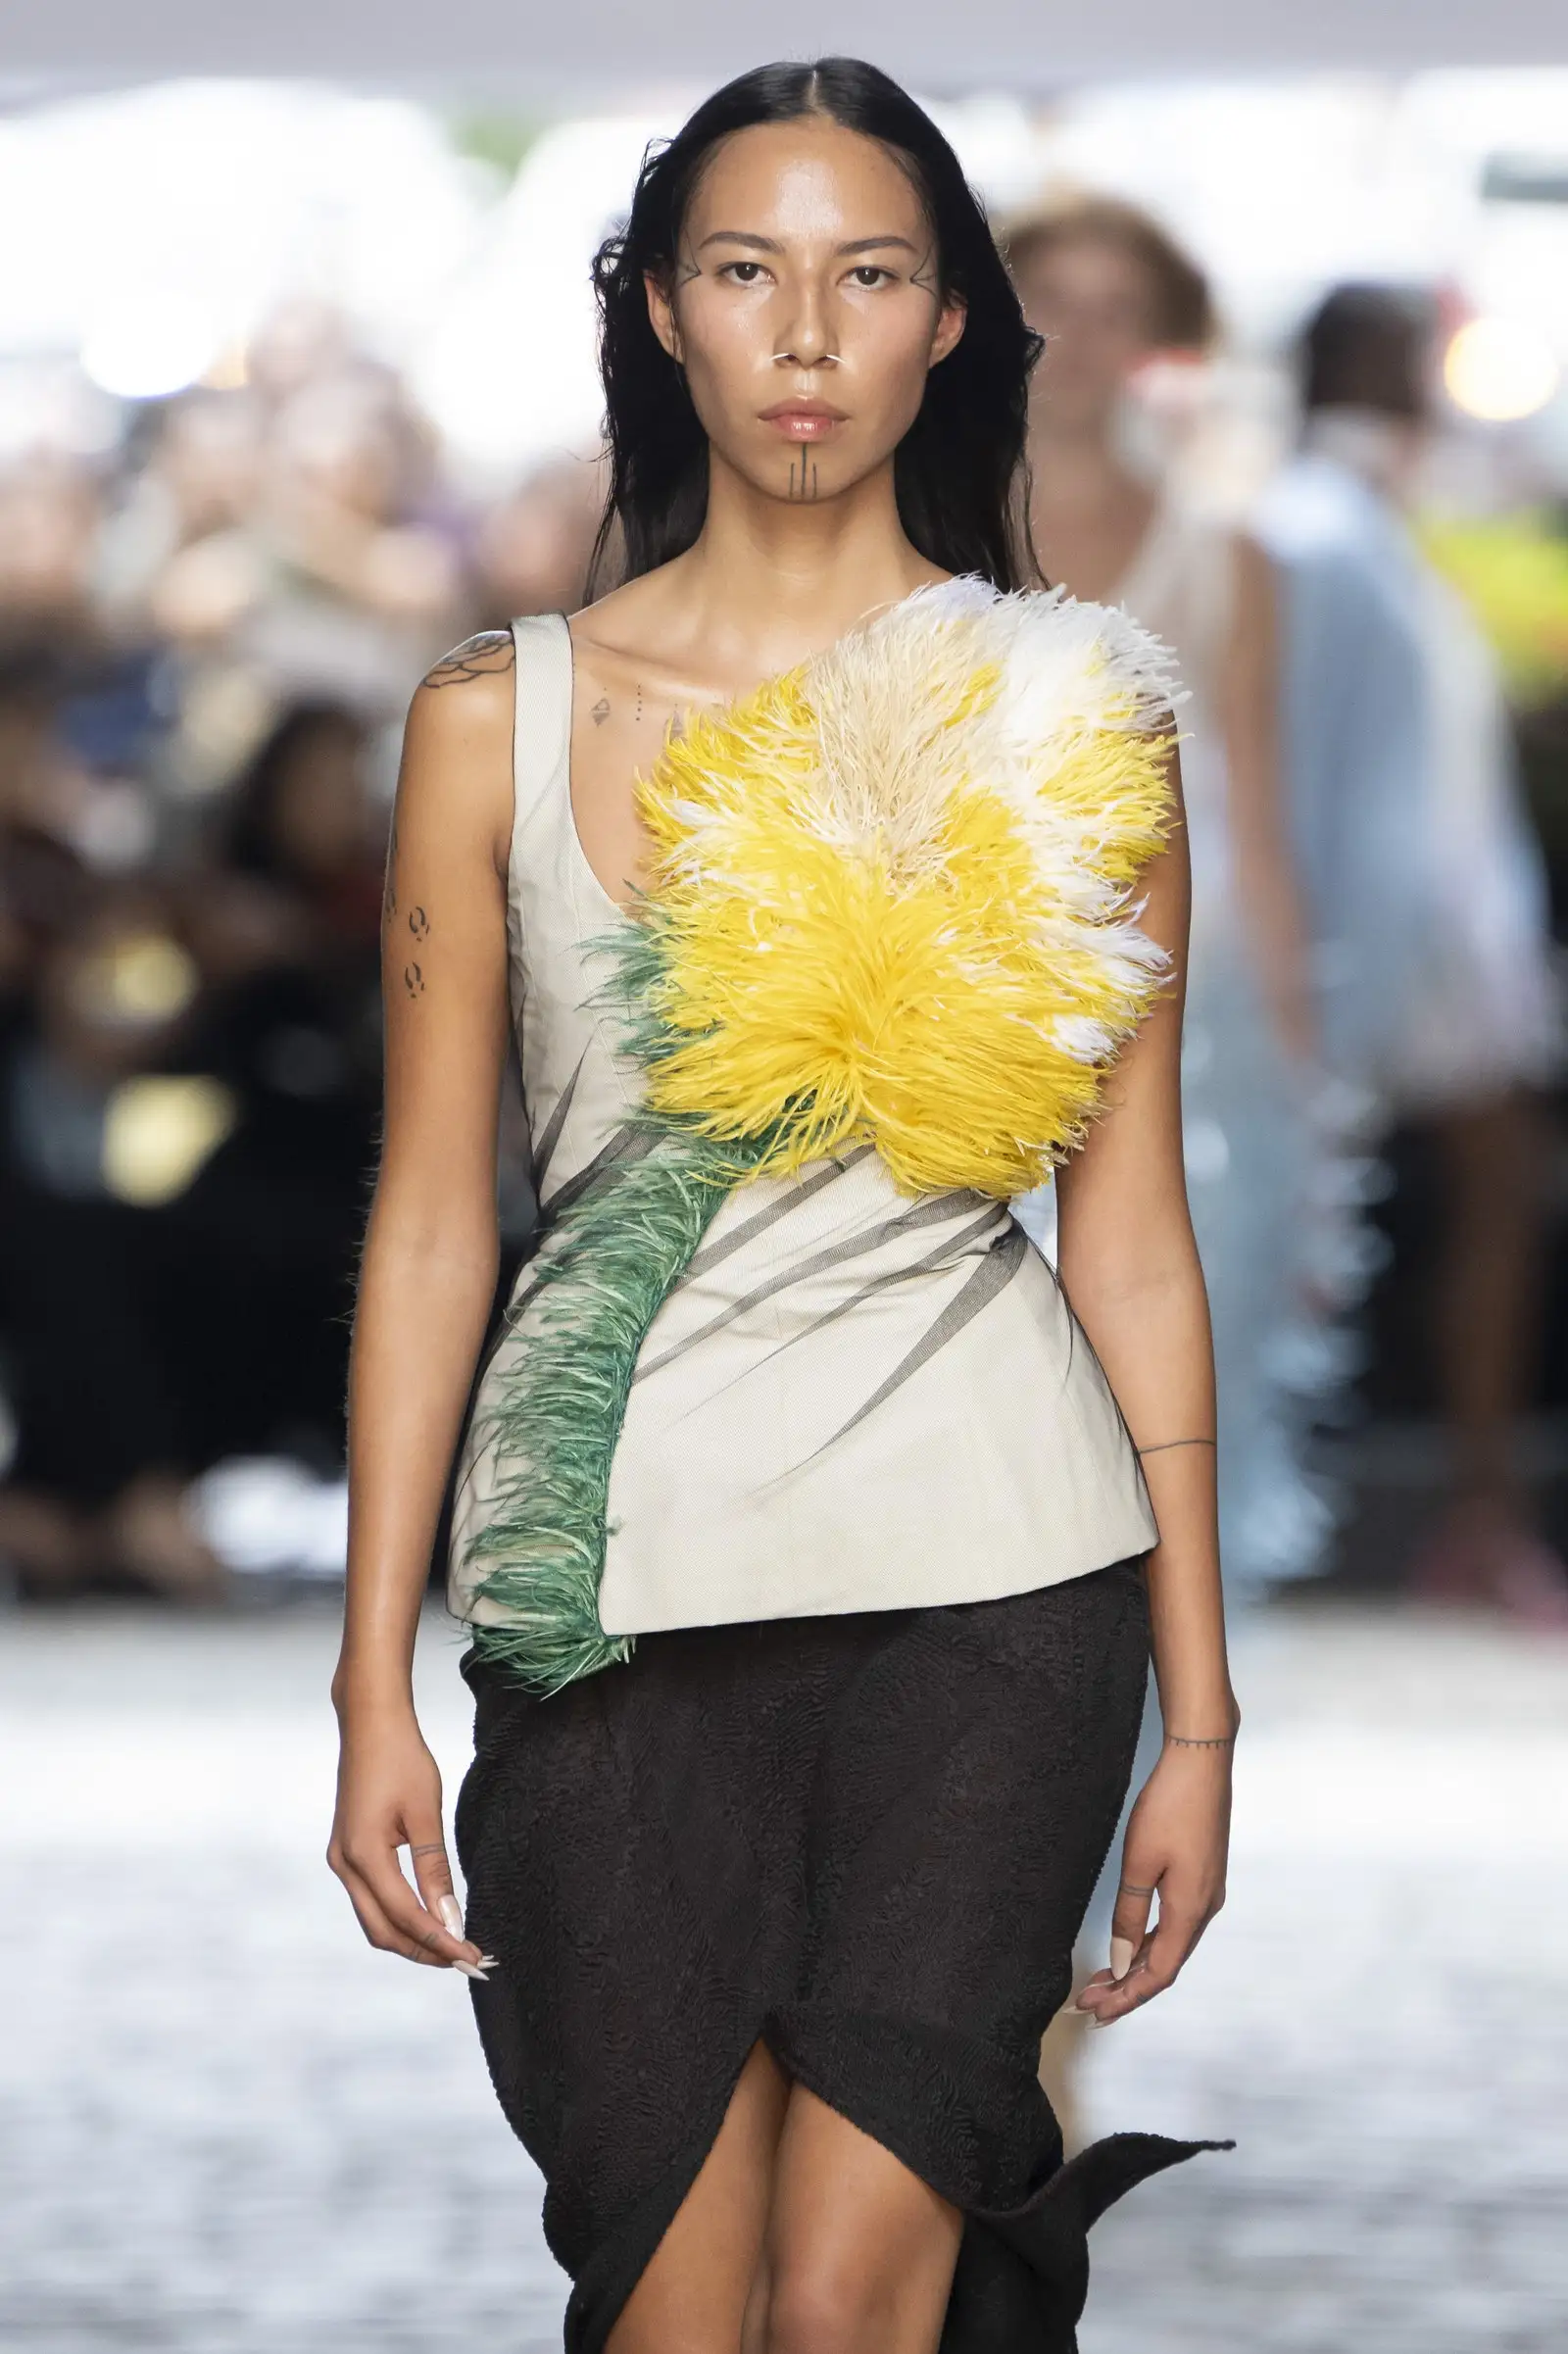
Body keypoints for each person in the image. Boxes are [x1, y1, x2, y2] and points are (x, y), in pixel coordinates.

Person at [328, 60, 1235, 2354]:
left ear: (947, 324)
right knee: (667, 2308)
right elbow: (436, 1218)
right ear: (658, 313)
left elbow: (1123, 1226)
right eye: (744, 271)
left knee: (846, 2315)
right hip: (606, 1593)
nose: (804, 334)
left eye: (867, 274)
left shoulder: (1073, 719)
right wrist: (363, 1675)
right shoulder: (491, 721)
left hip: (995, 1590)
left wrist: (1199, 1717)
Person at [1006, 195, 1343, 1606]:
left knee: (1155, 1436)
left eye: (1117, 311)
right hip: (944, 1018)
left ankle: (1130, 1778)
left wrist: (1303, 1079)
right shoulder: (900, 529)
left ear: (1162, 340)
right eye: (1053, 302)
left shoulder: (1224, 555)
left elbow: (1252, 815)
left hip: (1173, 1042)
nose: (1080, 342)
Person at [1255, 284, 1566, 1624]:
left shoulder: (1376, 524)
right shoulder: (1320, 530)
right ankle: (1291, 1505)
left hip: (1433, 934)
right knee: (1301, 1223)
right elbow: (1305, 764)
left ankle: (1471, 1509)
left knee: (1478, 1204)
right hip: (1371, 940)